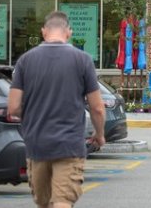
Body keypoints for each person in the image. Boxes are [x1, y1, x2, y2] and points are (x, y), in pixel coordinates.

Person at [8, 11, 105, 208]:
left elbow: (13, 107)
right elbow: (97, 108)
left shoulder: (25, 60)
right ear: (68, 32)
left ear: (44, 32)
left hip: (37, 145)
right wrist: (99, 134)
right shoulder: (83, 60)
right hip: (69, 145)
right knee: (62, 200)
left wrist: (32, 114)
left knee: (44, 203)